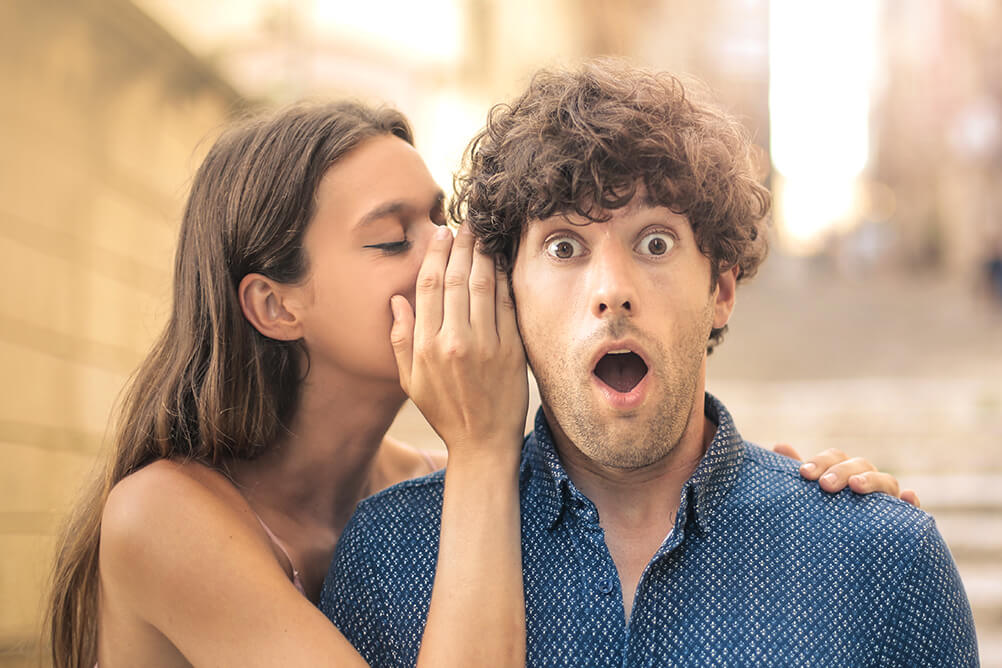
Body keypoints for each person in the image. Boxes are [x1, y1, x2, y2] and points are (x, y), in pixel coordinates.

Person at [47, 98, 909, 667]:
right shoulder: (161, 518)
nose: (454, 255)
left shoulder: (430, 494)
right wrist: (489, 445)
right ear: (276, 306)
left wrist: (799, 501)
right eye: (393, 240)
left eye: (442, 220)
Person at [321, 61, 978, 666]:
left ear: (720, 289)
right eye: (564, 247)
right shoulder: (387, 554)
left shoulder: (886, 557)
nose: (613, 288)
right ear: (508, 295)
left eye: (655, 242)